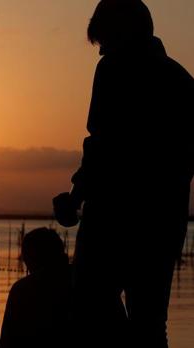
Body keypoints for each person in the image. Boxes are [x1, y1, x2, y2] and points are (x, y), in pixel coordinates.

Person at [54, 1, 194, 348]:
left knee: (87, 310)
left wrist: (75, 198)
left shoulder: (114, 69)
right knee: (150, 322)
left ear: (122, 33)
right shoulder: (182, 79)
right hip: (164, 224)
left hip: (112, 220)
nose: (100, 50)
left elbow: (102, 144)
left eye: (104, 40)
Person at [0, 228, 72, 348]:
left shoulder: (22, 290)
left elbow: (7, 341)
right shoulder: (83, 281)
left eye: (26, 259)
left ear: (30, 258)